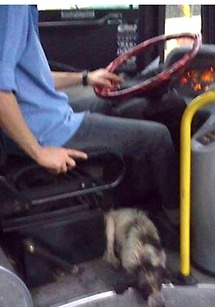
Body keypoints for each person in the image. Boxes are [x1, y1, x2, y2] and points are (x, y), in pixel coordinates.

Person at [0, 5, 179, 225]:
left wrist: (86, 78)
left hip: (42, 111)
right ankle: (179, 222)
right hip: (45, 128)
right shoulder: (11, 8)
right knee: (158, 138)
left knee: (113, 102)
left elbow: (33, 76)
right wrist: (39, 153)